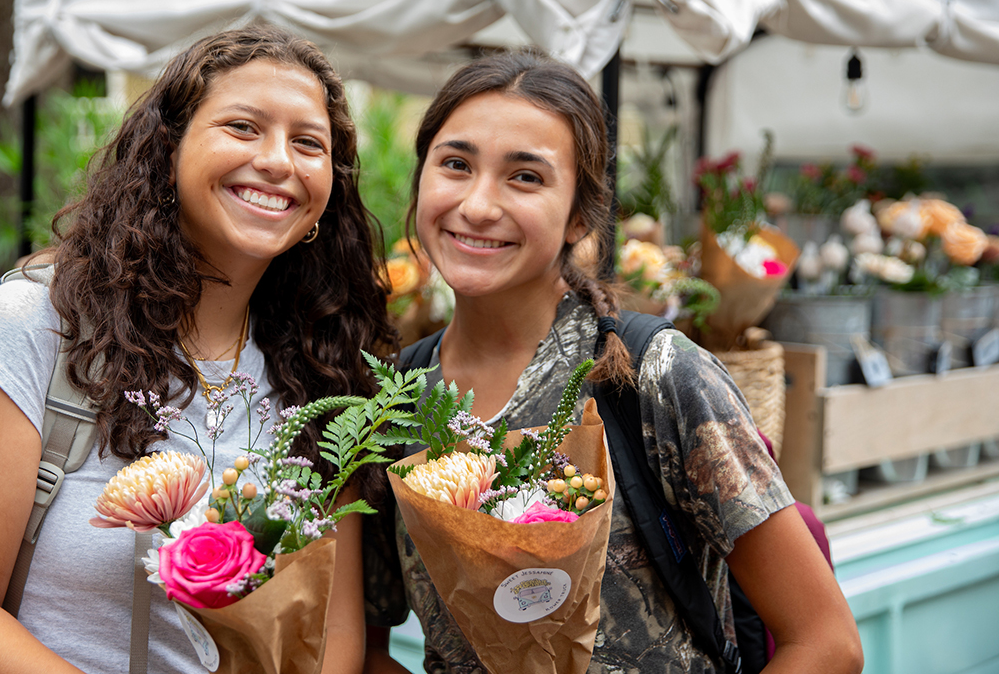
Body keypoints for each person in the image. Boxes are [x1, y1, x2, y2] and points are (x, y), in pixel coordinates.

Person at [0, 24, 398, 673]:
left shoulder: (323, 364)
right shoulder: (38, 322)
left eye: (308, 142)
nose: (278, 159)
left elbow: (333, 634)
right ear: (168, 150)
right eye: (243, 127)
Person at [363, 52, 863, 674]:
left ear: (580, 214)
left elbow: (826, 642)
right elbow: (368, 645)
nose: (479, 205)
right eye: (456, 165)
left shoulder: (654, 375)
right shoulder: (393, 402)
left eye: (525, 177)